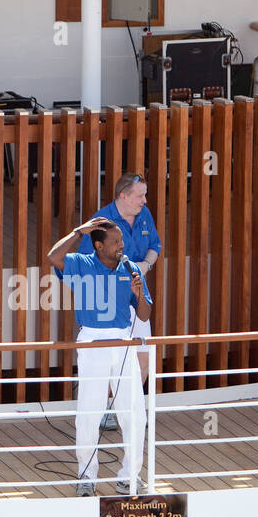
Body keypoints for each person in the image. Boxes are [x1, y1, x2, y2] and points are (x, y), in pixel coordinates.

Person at [47, 217, 153, 497]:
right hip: (93, 341)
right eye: (116, 242)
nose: (122, 246)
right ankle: (86, 476)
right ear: (98, 245)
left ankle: (129, 476)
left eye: (122, 241)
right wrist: (78, 231)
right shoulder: (82, 262)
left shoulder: (130, 268)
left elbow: (144, 314)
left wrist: (138, 294)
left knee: (134, 413)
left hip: (123, 341)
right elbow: (53, 257)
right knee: (89, 413)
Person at [78, 172, 161, 430]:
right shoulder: (101, 221)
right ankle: (107, 410)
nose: (144, 201)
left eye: (144, 195)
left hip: (137, 294)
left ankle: (124, 407)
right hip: (109, 300)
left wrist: (144, 266)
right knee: (109, 358)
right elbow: (86, 262)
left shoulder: (144, 215)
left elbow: (155, 245)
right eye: (140, 195)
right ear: (123, 196)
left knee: (143, 356)